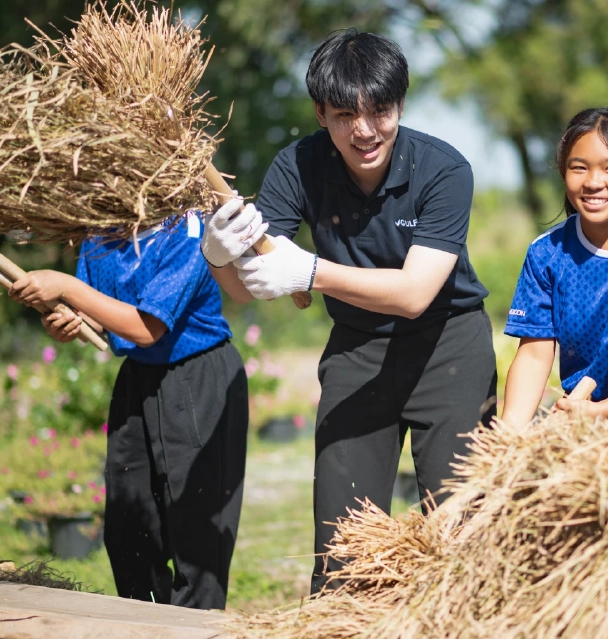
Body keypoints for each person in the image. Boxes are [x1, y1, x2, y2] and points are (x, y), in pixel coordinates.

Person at [201, 29, 497, 594]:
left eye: (379, 111)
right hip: (357, 346)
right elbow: (244, 289)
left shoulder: (444, 169)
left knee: (461, 533)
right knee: (344, 545)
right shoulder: (298, 166)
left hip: (449, 348)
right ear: (320, 114)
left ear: (399, 105)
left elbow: (414, 294)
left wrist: (311, 271)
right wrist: (217, 254)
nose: (364, 130)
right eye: (344, 115)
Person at [9, 214, 248, 610]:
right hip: (137, 377)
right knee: (129, 526)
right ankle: (146, 623)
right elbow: (97, 313)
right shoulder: (98, 232)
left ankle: (196, 628)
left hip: (197, 375)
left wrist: (66, 286)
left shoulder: (188, 229)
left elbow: (147, 328)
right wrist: (69, 321)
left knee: (195, 529)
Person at [500, 107, 608, 426]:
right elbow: (534, 355)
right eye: (579, 167)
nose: (593, 182)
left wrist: (603, 409)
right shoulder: (546, 253)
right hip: (581, 425)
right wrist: (509, 436)